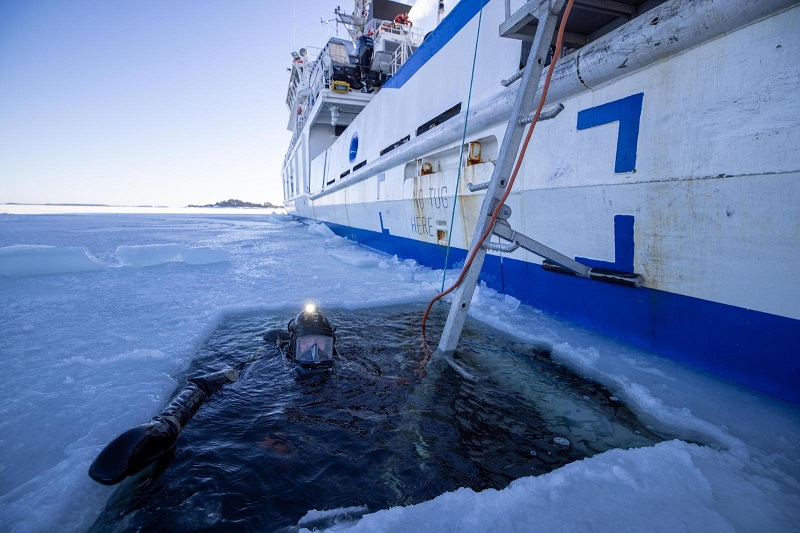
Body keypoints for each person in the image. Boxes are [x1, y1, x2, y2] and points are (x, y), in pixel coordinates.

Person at [264, 303, 336, 369]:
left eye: (320, 340)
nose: (313, 347)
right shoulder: (281, 361)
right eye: (306, 341)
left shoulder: (336, 360)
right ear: (294, 343)